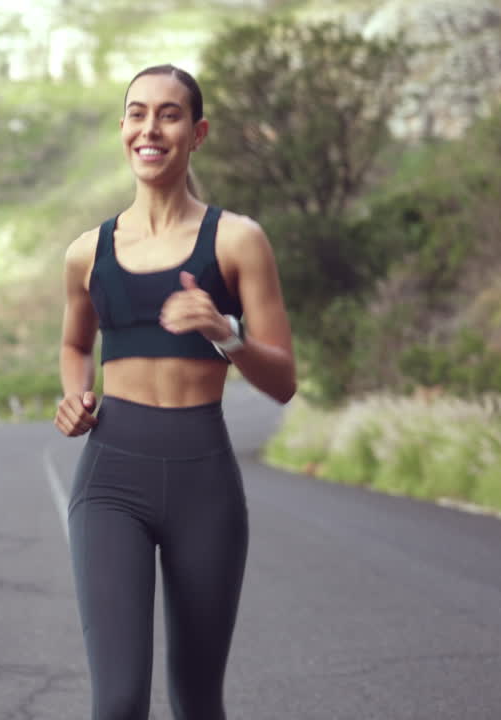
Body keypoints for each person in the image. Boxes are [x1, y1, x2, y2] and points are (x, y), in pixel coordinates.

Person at [54, 64, 297, 720]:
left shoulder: (238, 242)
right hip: (111, 482)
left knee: (196, 700)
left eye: (168, 114)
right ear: (123, 128)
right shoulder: (87, 252)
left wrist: (227, 335)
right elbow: (77, 345)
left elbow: (283, 383)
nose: (149, 128)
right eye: (136, 113)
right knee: (120, 701)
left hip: (204, 484)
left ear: (198, 132)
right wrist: (75, 394)